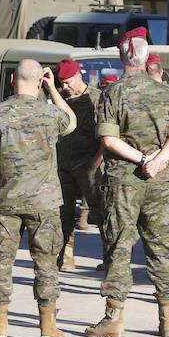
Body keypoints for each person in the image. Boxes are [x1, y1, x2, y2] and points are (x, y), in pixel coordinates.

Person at [86, 27, 169, 337]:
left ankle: (114, 318)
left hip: (125, 182)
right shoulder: (165, 92)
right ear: (145, 58)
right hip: (160, 181)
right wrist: (157, 161)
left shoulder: (113, 93)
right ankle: (167, 319)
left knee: (119, 246)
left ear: (121, 56)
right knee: (162, 247)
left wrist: (142, 160)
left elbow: (109, 139)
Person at [0, 59, 76, 337]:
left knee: (1, 262)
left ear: (12, 81)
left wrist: (1, 164)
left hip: (5, 202)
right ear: (39, 82)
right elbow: (72, 122)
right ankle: (47, 328)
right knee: (46, 264)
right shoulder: (50, 114)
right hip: (44, 204)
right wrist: (54, 90)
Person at [55, 58, 104, 271]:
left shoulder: (97, 98)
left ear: (78, 76)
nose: (66, 88)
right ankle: (65, 255)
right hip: (64, 163)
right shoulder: (58, 98)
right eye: (62, 84)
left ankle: (111, 258)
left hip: (89, 163)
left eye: (68, 82)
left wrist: (98, 159)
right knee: (63, 213)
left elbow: (107, 131)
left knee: (101, 212)